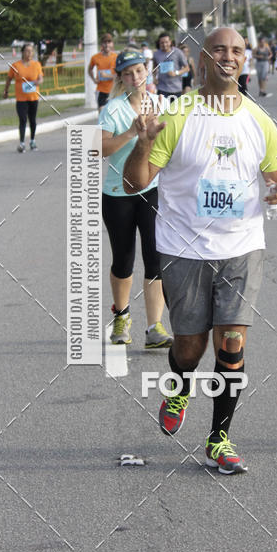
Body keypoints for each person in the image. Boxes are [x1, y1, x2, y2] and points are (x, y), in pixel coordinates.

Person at [122, 27, 277, 473]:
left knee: (232, 342)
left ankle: (219, 437)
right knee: (190, 346)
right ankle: (179, 386)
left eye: (237, 50)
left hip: (242, 247)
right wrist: (142, 143)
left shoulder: (259, 121)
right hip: (183, 247)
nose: (228, 56)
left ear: (246, 59)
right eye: (219, 48)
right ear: (203, 58)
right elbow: (135, 182)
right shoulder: (177, 115)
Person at [99, 49, 173, 349]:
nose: (135, 77)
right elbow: (100, 149)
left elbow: (172, 143)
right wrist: (132, 131)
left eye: (140, 71)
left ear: (148, 72)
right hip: (117, 196)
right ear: (121, 78)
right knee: (123, 259)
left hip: (151, 191)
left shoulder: (161, 104)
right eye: (128, 73)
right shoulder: (113, 110)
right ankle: (122, 316)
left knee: (155, 259)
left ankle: (155, 327)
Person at [3, 43, 44, 152]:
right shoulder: (16, 66)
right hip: (21, 98)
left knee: (32, 120)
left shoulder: (36, 64)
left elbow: (41, 79)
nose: (29, 53)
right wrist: (5, 91)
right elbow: (8, 79)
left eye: (31, 51)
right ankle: (21, 143)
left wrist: (37, 82)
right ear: (22, 52)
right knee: (22, 119)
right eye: (27, 51)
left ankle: (32, 141)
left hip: (33, 97)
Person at [153, 33, 189, 100]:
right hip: (162, 88)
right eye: (162, 43)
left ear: (170, 42)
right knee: (162, 109)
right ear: (159, 43)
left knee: (175, 110)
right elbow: (154, 68)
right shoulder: (156, 54)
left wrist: (176, 73)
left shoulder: (178, 52)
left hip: (175, 89)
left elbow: (187, 68)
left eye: (166, 42)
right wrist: (154, 78)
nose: (164, 44)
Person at [88, 34, 117, 112]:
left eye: (109, 42)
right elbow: (89, 69)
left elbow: (119, 76)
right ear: (101, 44)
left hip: (114, 90)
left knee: (113, 115)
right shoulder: (95, 57)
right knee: (101, 113)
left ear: (112, 44)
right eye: (105, 42)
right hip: (101, 91)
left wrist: (107, 75)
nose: (107, 44)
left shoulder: (116, 57)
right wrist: (94, 79)